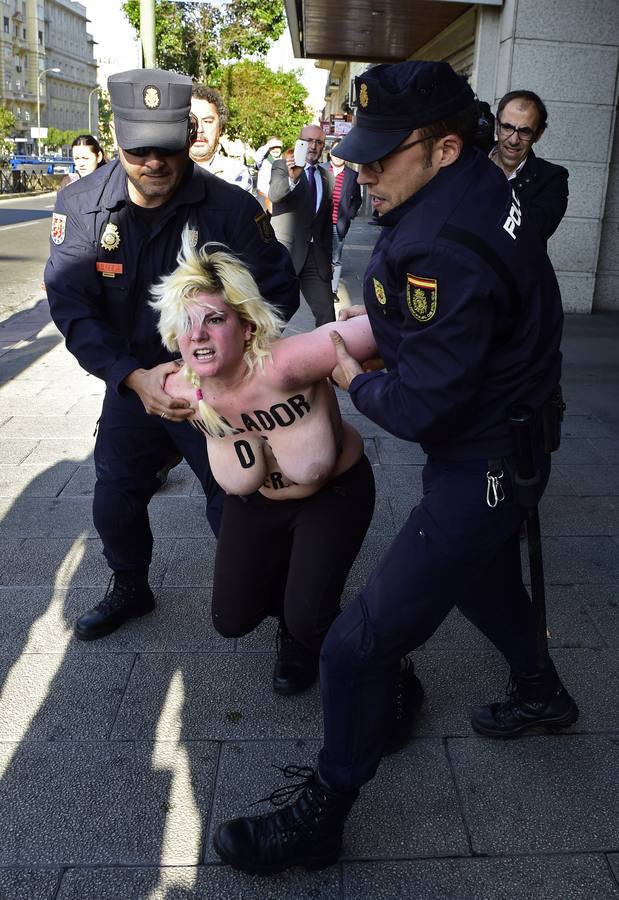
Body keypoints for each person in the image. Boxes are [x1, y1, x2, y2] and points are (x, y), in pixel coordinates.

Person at [212, 59, 579, 876]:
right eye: (358, 151)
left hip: (482, 457)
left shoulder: (438, 248)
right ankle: (541, 692)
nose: (362, 170)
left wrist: (346, 368)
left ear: (445, 147)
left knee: (355, 647)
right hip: (513, 434)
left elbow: (418, 411)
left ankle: (323, 813)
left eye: (382, 155)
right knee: (483, 579)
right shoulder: (484, 187)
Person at [44, 67, 298, 642]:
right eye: (138, 150)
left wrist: (221, 369)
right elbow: (72, 305)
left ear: (187, 136)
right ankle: (130, 585)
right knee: (114, 497)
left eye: (166, 148)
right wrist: (133, 378)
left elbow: (277, 291)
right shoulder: (82, 205)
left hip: (214, 391)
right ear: (115, 136)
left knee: (238, 505)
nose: (153, 162)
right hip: (135, 382)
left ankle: (290, 620)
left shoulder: (230, 208)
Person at [150, 229, 377, 693]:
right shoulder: (177, 388)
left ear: (247, 326)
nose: (198, 336)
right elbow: (134, 383)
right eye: (186, 324)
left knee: (311, 617)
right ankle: (296, 618)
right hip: (256, 502)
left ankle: (388, 675)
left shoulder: (288, 364)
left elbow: (391, 326)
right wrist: (138, 381)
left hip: (333, 493)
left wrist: (373, 321)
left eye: (214, 320)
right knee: (230, 618)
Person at [269, 124, 335, 327]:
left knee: (327, 317)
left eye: (319, 142)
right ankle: (263, 357)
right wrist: (292, 178)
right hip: (286, 255)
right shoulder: (282, 166)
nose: (313, 147)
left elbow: (325, 224)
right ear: (299, 142)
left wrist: (329, 259)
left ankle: (329, 357)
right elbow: (275, 195)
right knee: (274, 319)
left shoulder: (327, 177)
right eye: (308, 141)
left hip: (316, 259)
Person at [491, 90, 568, 243]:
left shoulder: (552, 178)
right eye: (507, 127)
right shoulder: (470, 162)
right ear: (496, 125)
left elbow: (530, 235)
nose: (514, 140)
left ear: (538, 134)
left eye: (525, 131)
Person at [189, 84, 252, 192]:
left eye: (208, 121)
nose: (199, 129)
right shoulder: (163, 172)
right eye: (191, 121)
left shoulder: (236, 173)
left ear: (221, 128)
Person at [328, 137, 362, 298]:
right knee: (318, 255)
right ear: (330, 153)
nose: (338, 156)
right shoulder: (321, 170)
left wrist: (349, 215)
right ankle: (320, 286)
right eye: (335, 152)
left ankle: (333, 290)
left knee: (335, 258)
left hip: (338, 224)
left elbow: (357, 199)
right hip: (319, 223)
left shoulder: (352, 175)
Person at [256, 137, 283, 212]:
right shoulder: (263, 161)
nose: (275, 150)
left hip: (279, 200)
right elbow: (256, 157)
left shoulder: (284, 161)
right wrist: (269, 144)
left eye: (277, 147)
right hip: (263, 198)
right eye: (272, 147)